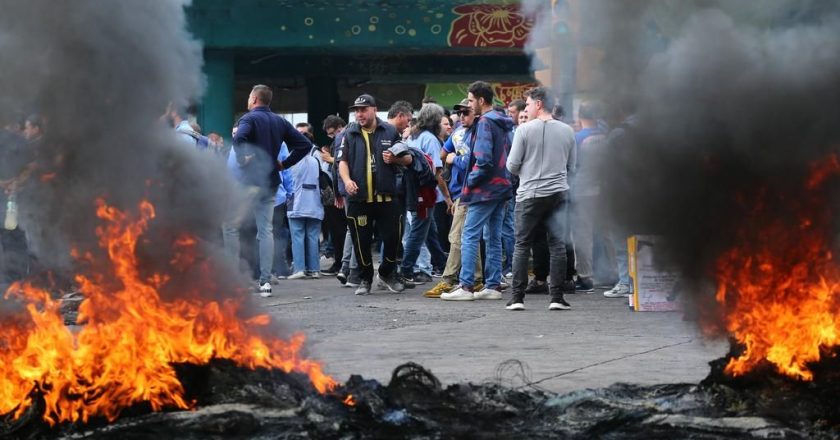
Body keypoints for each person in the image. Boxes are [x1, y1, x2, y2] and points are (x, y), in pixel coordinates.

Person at [225, 84, 312, 297]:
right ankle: (265, 282)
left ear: (254, 99)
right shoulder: (280, 121)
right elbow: (303, 145)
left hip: (248, 181)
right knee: (266, 231)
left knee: (229, 226)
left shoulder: (248, 119)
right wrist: (285, 164)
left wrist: (242, 158)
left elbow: (239, 138)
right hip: (271, 182)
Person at [505, 86, 577, 311]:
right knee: (557, 245)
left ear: (538, 104)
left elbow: (512, 165)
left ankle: (517, 298)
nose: (525, 108)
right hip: (558, 194)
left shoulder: (524, 131)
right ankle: (556, 297)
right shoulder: (567, 131)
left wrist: (528, 169)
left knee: (522, 244)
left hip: (529, 194)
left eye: (527, 104)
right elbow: (571, 166)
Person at [441, 81, 512, 301]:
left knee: (469, 235)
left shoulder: (484, 124)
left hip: (484, 190)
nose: (469, 105)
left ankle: (466, 286)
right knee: (493, 236)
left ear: (481, 101)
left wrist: (469, 184)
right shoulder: (503, 123)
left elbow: (482, 160)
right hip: (502, 187)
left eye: (471, 100)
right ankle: (492, 285)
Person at [337, 93, 404, 295]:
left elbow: (406, 158)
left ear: (374, 109)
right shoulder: (349, 133)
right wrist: (347, 181)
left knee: (393, 238)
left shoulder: (391, 131)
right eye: (357, 111)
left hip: (387, 197)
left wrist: (395, 159)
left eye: (363, 109)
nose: (359, 114)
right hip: (359, 198)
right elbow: (342, 162)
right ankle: (365, 278)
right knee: (361, 242)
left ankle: (386, 273)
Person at [424, 98, 483, 298]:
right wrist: (453, 157)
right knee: (468, 236)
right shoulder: (458, 132)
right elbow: (443, 154)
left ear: (476, 113)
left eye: (466, 112)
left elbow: (473, 161)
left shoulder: (480, 133)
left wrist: (454, 158)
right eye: (460, 112)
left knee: (457, 236)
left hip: (471, 191)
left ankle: (448, 279)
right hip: (460, 191)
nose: (462, 116)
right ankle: (476, 278)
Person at [400, 103, 449, 285]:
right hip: (425, 192)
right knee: (418, 232)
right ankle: (406, 269)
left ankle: (443, 264)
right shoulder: (431, 139)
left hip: (412, 190)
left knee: (429, 231)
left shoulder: (412, 136)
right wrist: (448, 198)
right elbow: (438, 173)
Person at [571, 101, 608, 293]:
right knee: (604, 232)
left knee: (582, 235)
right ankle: (609, 273)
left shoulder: (577, 138)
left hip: (582, 191)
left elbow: (572, 165)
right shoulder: (606, 136)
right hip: (603, 190)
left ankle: (586, 276)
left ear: (580, 116)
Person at [287, 149, 324, 280]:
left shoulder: (292, 161)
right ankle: (314, 269)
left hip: (296, 204)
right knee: (313, 238)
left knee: (297, 237)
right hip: (315, 204)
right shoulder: (315, 160)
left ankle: (299, 268)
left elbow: (288, 180)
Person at [319, 115, 347, 276]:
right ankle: (340, 262)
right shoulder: (339, 140)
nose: (332, 136)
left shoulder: (346, 139)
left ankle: (341, 263)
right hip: (337, 192)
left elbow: (345, 162)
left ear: (339, 127)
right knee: (337, 232)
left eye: (333, 133)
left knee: (340, 231)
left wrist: (330, 159)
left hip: (342, 193)